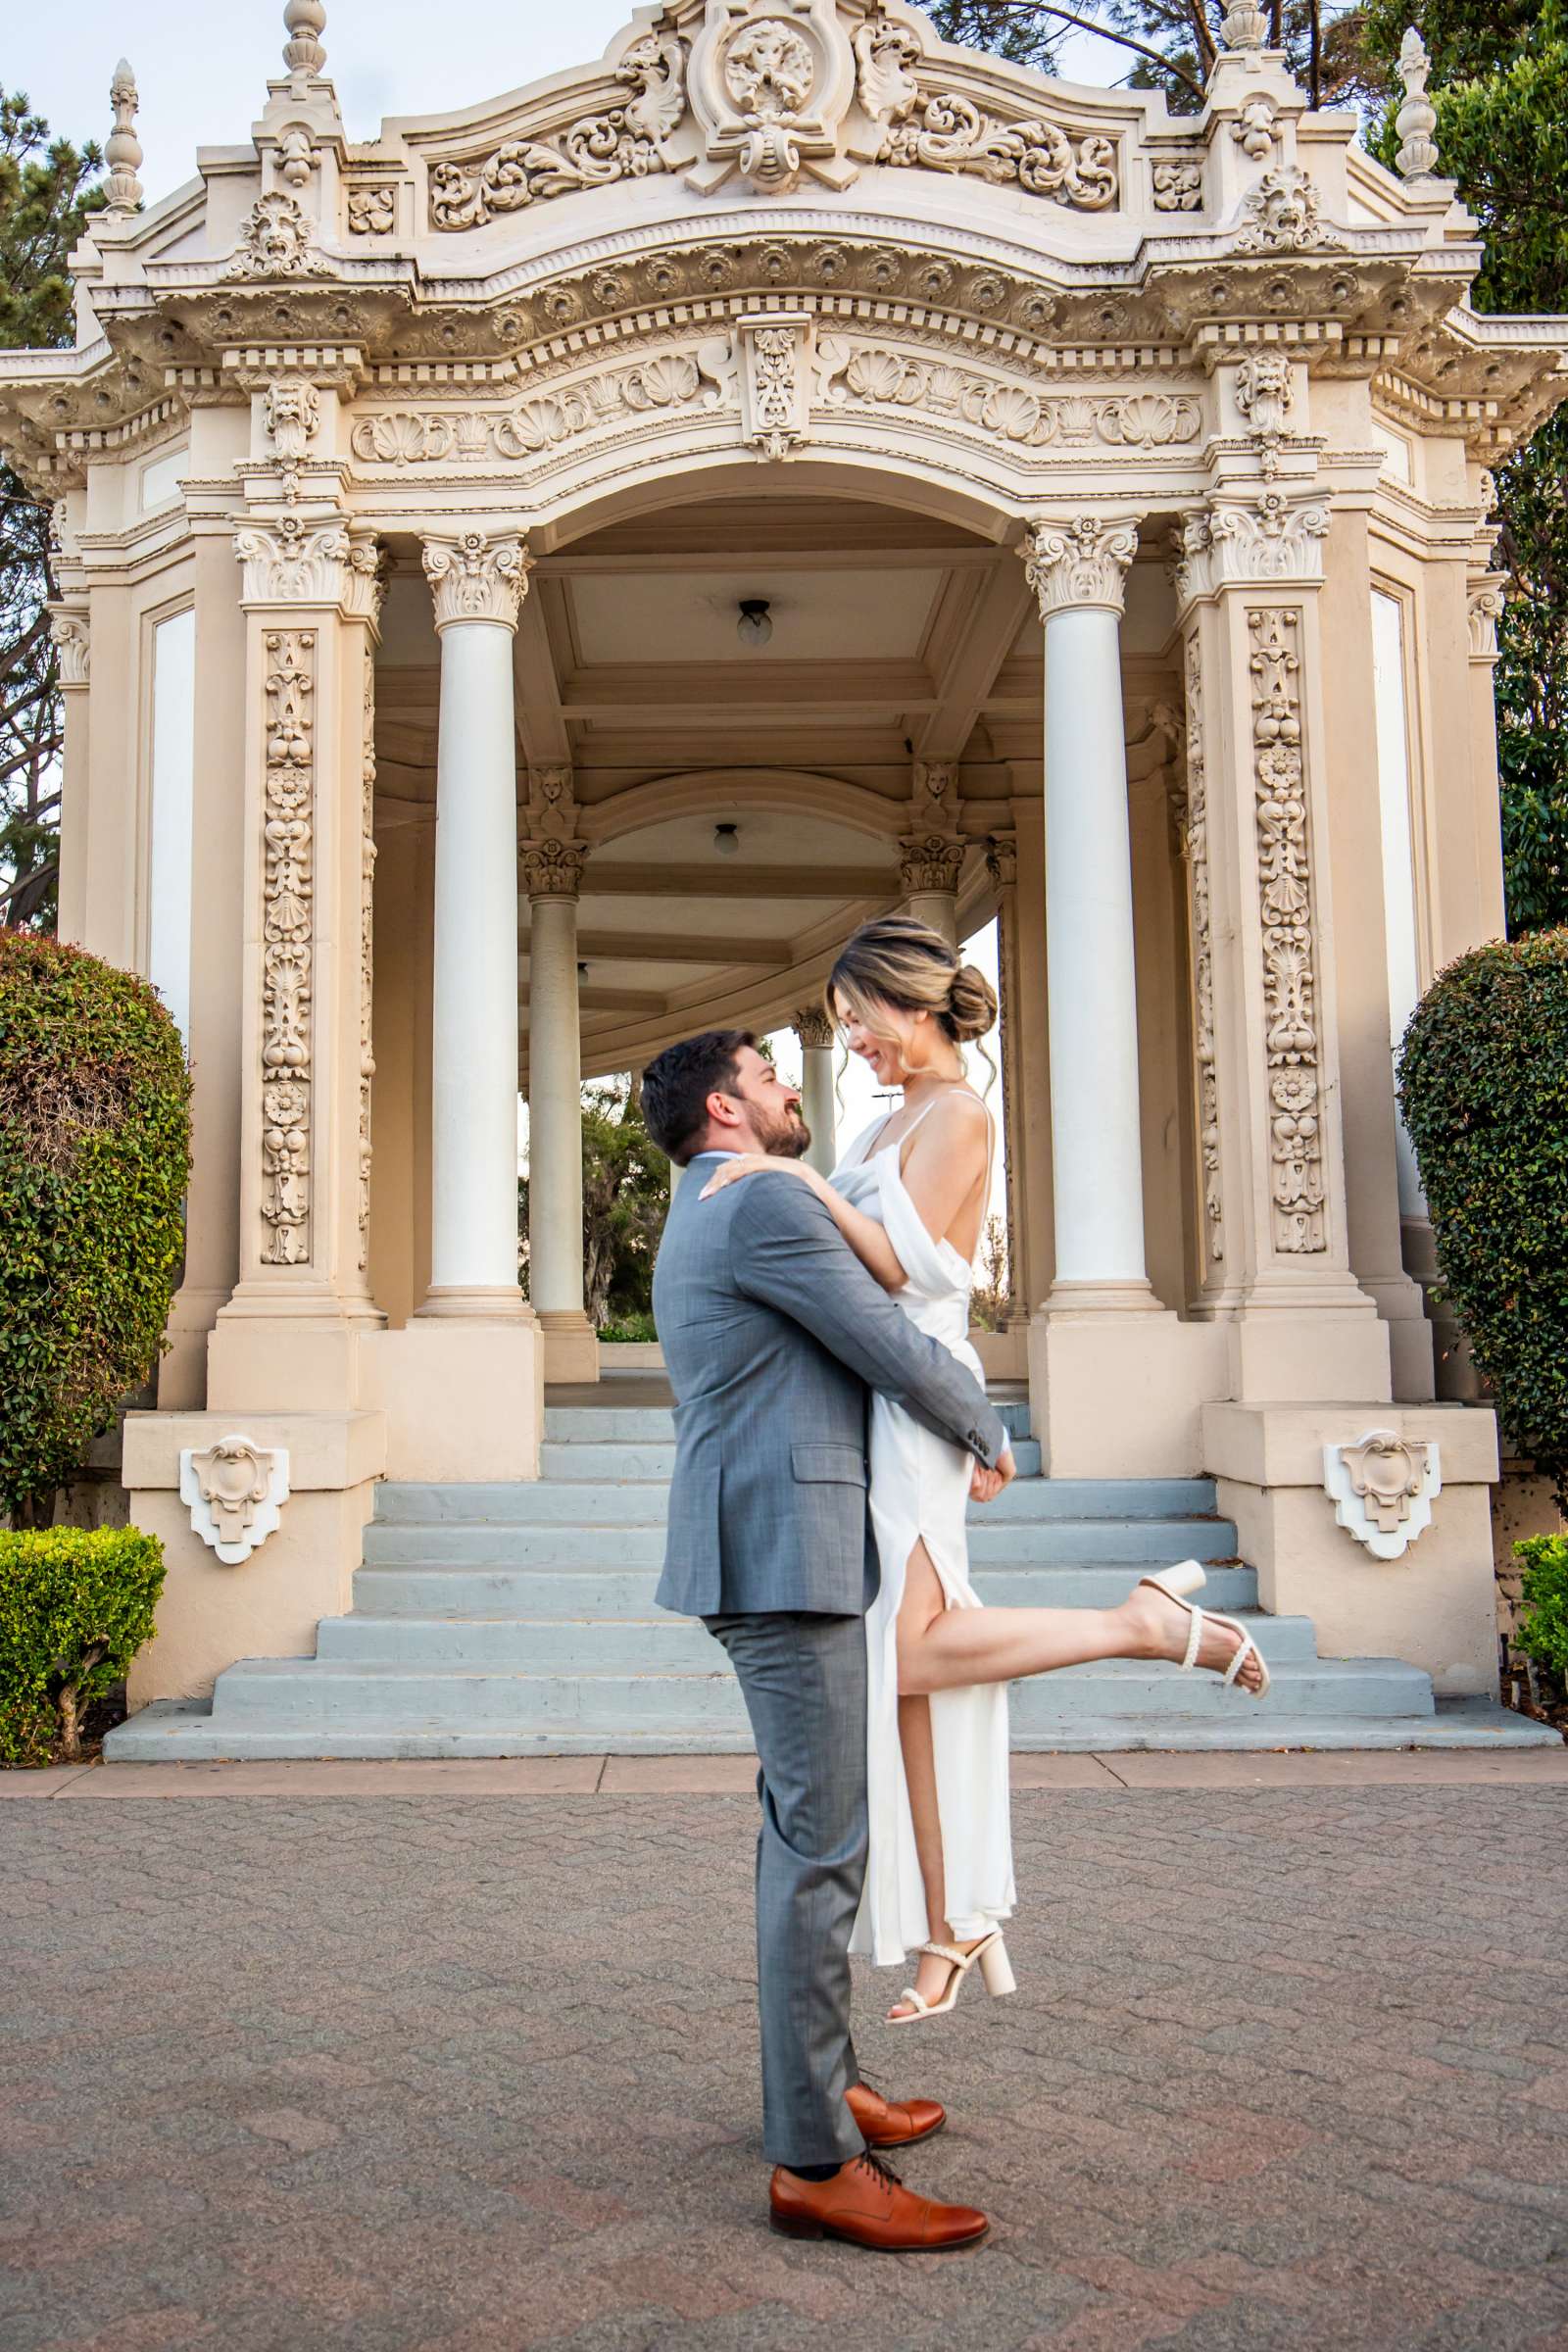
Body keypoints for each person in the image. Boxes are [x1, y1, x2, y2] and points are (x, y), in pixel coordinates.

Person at [695, 916, 1267, 2040]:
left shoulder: (959, 1114)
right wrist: (801, 1183)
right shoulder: (889, 1113)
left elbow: (905, 1267)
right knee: (909, 1668)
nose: (849, 1043)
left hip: (915, 1394)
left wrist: (787, 1183)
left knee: (909, 1651)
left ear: (906, 1007)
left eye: (857, 1023)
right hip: (874, 1398)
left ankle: (1144, 1626)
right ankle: (955, 1918)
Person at [643, 1027, 1006, 2252]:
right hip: (784, 1556)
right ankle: (811, 2160)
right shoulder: (757, 1214)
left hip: (766, 1546)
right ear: (723, 1108)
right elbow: (886, 1343)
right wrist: (990, 1432)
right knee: (822, 1849)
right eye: (767, 1073)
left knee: (802, 1839)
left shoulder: (715, 1201)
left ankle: (822, 2087)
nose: (790, 1084)